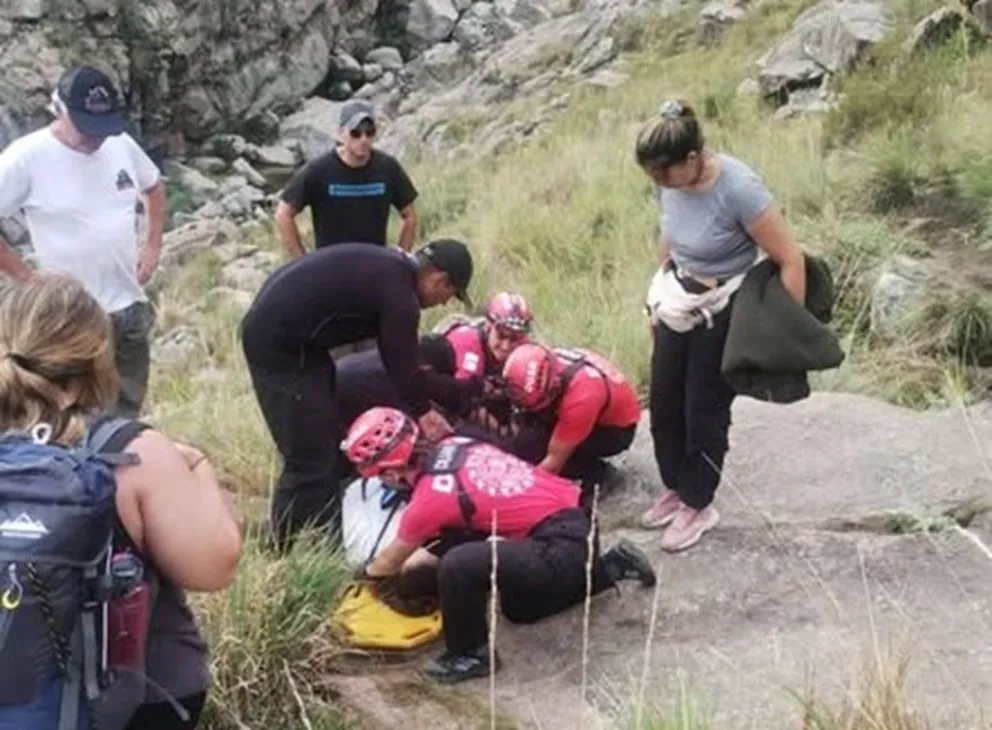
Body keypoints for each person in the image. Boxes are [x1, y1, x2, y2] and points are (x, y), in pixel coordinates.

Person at [0, 275, 242, 730]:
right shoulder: (131, 451)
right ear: (96, 359)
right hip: (138, 704)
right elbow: (214, 568)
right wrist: (200, 465)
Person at [342, 407, 657, 684]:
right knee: (519, 610)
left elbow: (386, 564)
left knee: (458, 564)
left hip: (562, 543)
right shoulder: (454, 445)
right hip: (576, 524)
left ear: (391, 469)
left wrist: (361, 581)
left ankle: (470, 655)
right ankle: (611, 567)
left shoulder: (429, 499)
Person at [636, 99, 806, 552]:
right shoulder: (667, 181)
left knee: (703, 408)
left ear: (692, 158)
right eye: (652, 175)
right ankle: (675, 486)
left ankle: (698, 502)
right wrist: (656, 297)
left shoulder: (740, 188)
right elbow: (670, 233)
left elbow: (789, 259)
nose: (658, 183)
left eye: (663, 174)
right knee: (665, 402)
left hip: (723, 305)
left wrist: (781, 334)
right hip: (677, 300)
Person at [240, 239, 474, 549]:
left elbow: (403, 367)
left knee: (327, 441)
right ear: (439, 279)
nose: (445, 303)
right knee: (308, 461)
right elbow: (404, 372)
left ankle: (331, 532)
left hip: (302, 342)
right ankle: (278, 551)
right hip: (280, 348)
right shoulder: (400, 296)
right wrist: (435, 406)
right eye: (450, 294)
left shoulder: (391, 268)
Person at [0, 65, 166, 419]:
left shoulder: (119, 143)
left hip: (128, 303)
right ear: (59, 111)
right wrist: (27, 279)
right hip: (72, 316)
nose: (96, 138)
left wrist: (151, 246)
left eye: (102, 129)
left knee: (128, 408)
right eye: (87, 129)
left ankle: (123, 465)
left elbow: (153, 185)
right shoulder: (25, 157)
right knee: (77, 415)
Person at [274, 99, 419, 258]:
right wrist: (301, 261)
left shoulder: (388, 168)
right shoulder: (318, 170)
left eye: (369, 132)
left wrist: (401, 256)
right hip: (331, 268)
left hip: (373, 266)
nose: (363, 139)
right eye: (355, 133)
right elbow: (283, 213)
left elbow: (410, 215)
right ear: (341, 134)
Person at [501, 343, 641, 493]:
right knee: (524, 439)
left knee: (535, 450)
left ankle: (600, 475)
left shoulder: (581, 398)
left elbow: (553, 462)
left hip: (614, 430)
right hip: (594, 400)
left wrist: (519, 493)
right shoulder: (544, 362)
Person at [434, 291, 534, 431]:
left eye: (515, 338)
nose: (506, 346)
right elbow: (462, 402)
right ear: (488, 326)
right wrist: (503, 433)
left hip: (484, 397)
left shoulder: (528, 348)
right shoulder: (467, 341)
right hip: (445, 401)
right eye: (501, 335)